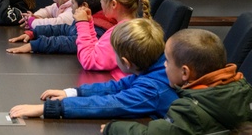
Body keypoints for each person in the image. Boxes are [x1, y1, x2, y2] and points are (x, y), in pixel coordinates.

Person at [101, 28, 252, 135]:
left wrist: (112, 128)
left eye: (167, 61)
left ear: (185, 72)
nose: (164, 65)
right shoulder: (242, 89)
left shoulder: (191, 110)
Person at [9, 17, 177, 119]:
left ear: (126, 62)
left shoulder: (151, 88)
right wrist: (71, 93)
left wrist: (47, 109)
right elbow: (118, 86)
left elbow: (108, 105)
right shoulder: (155, 65)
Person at [6, 0, 111, 53]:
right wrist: (35, 33)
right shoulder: (86, 18)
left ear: (84, 6)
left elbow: (70, 43)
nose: (71, 6)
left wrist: (37, 45)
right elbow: (64, 29)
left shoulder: (98, 29)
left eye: (73, 3)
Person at [75, 0, 149, 80]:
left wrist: (82, 24)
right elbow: (97, 50)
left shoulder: (122, 32)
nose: (101, 2)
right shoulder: (128, 26)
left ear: (113, 4)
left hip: (118, 87)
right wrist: (89, 24)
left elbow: (89, 61)